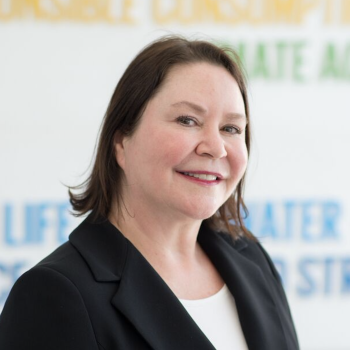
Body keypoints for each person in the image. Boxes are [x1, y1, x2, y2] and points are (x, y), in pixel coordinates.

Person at [0, 36, 299, 350]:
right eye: (188, 120)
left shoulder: (251, 259)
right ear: (121, 143)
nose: (215, 148)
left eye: (232, 128)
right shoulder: (52, 295)